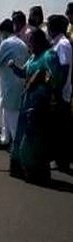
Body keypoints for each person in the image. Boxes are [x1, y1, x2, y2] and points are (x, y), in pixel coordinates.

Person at [8, 29, 65, 185]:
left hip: (40, 104)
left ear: (38, 41)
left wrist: (41, 77)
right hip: (27, 102)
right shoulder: (33, 57)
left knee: (33, 140)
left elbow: (57, 78)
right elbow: (24, 73)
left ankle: (36, 172)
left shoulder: (49, 55)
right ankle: (20, 168)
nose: (28, 44)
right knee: (20, 137)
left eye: (31, 40)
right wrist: (14, 67)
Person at [0, 19, 29, 147]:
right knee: (7, 112)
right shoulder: (22, 43)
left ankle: (16, 144)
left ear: (4, 32)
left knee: (11, 114)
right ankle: (5, 138)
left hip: (9, 82)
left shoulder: (6, 43)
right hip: (20, 81)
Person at [47, 14, 72, 171]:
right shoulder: (57, 43)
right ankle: (59, 158)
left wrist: (56, 89)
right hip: (58, 91)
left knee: (60, 127)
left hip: (60, 93)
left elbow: (64, 67)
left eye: (49, 26)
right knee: (57, 126)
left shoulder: (63, 44)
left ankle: (61, 160)